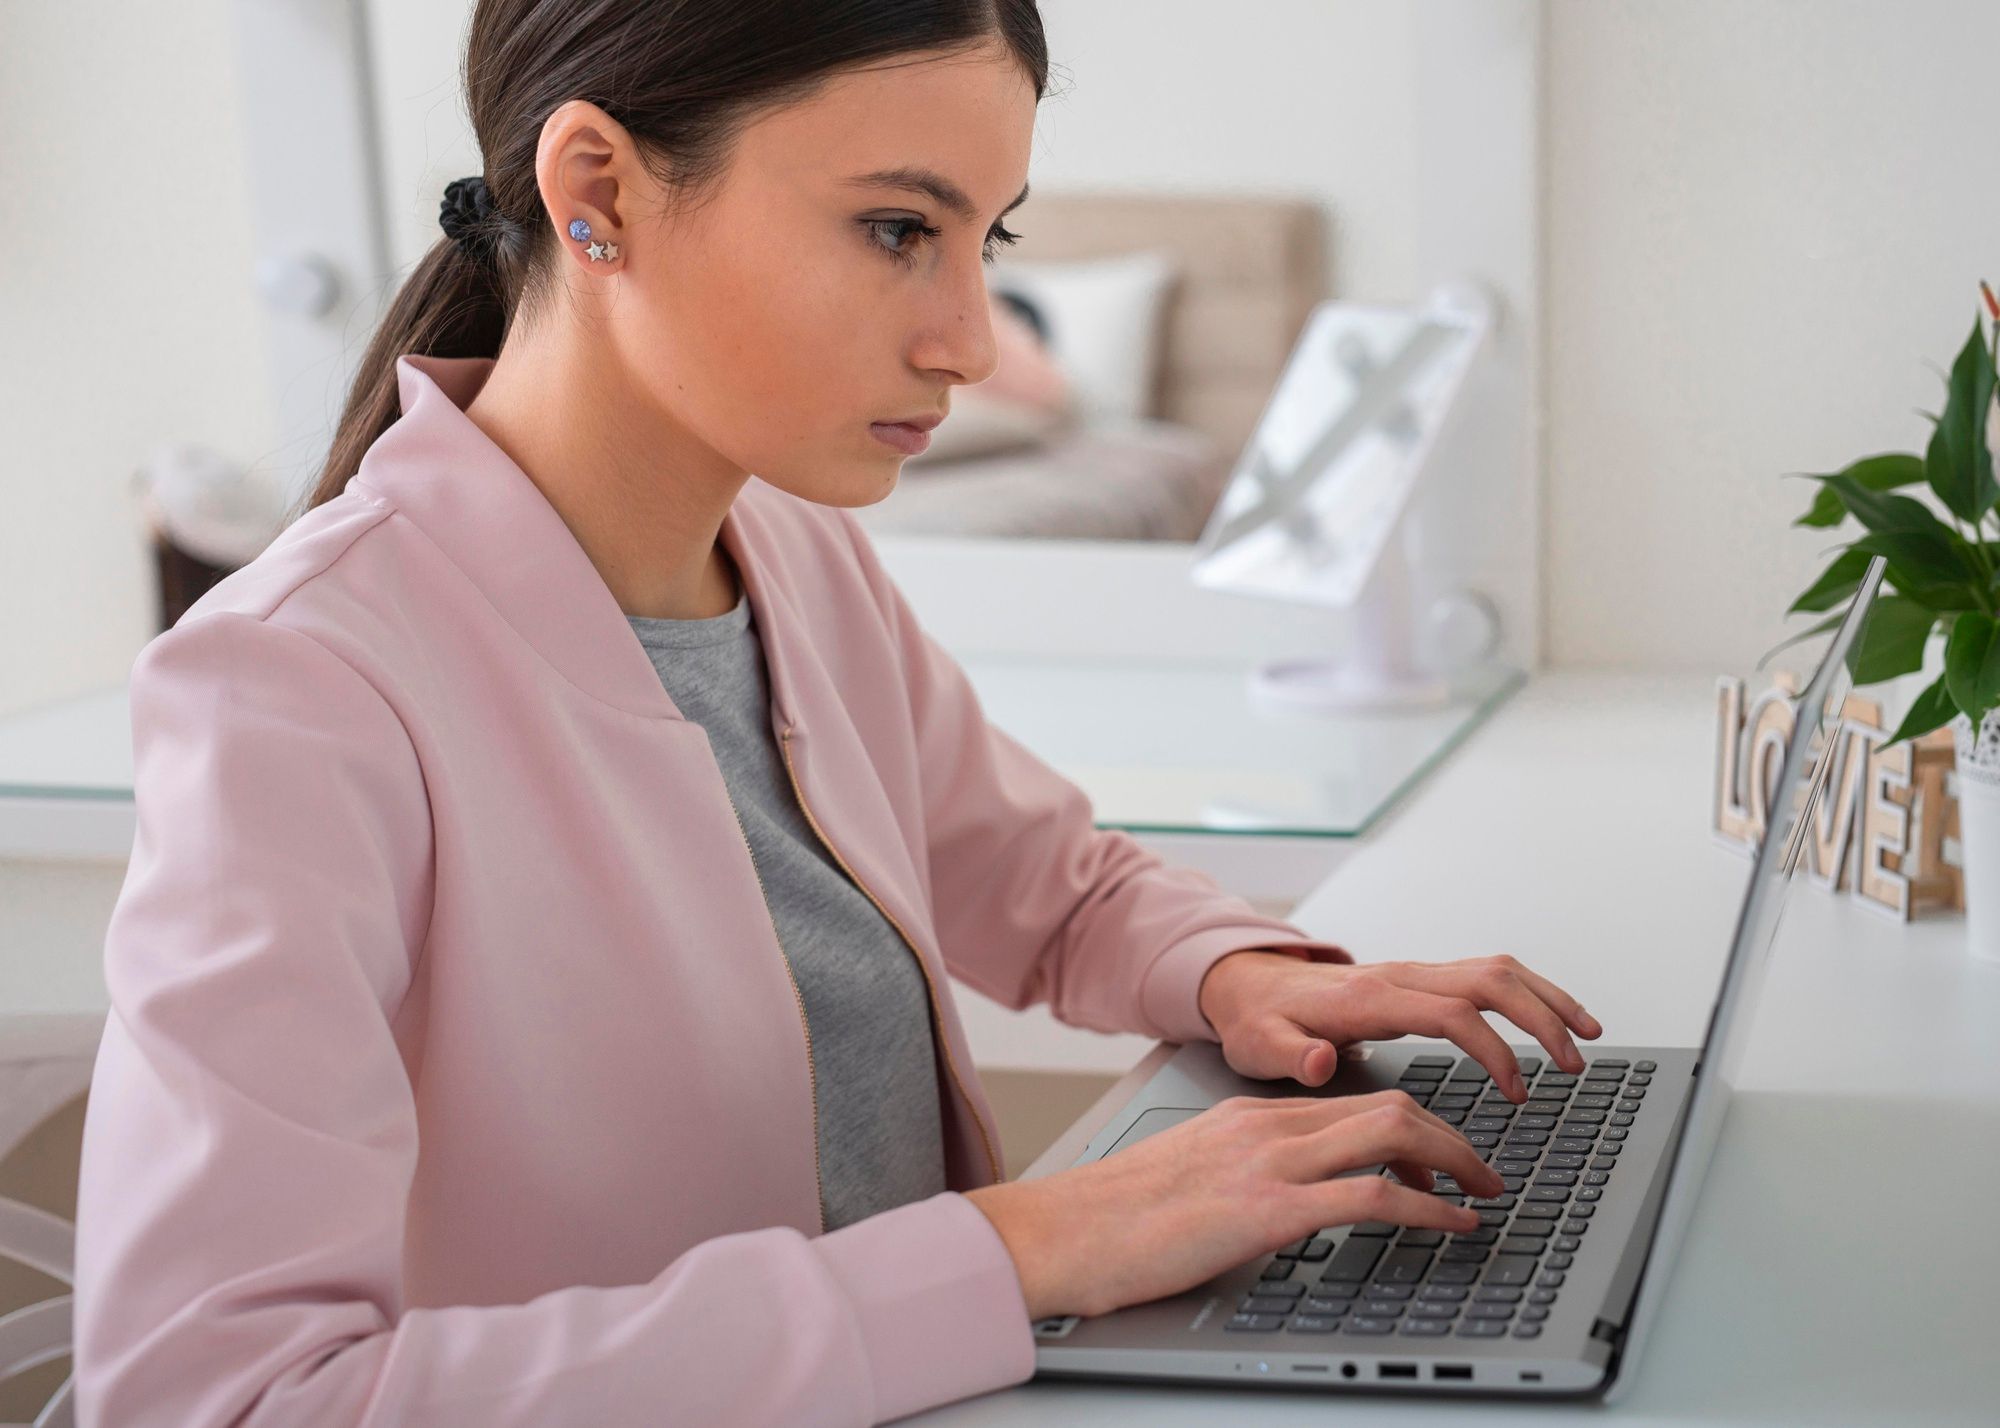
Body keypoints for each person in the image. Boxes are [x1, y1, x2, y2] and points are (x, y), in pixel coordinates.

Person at [70, 2, 1600, 1423]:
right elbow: (222, 1396)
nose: (973, 342)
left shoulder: (795, 556)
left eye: (983, 240)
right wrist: (1012, 1255)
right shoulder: (296, 686)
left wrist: (1235, 973)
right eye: (895, 229)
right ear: (596, 184)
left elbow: (1046, 886)